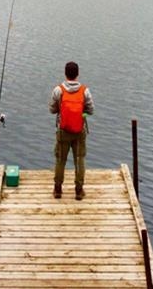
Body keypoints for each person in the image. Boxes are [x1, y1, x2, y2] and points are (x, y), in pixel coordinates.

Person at [49, 61, 94, 200]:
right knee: (79, 160)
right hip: (79, 131)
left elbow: (51, 109)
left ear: (65, 73)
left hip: (62, 131)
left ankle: (57, 190)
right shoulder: (84, 90)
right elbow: (90, 110)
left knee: (60, 160)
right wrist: (82, 113)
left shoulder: (58, 90)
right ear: (78, 74)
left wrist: (61, 110)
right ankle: (79, 191)